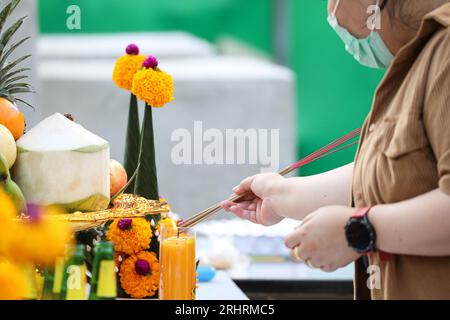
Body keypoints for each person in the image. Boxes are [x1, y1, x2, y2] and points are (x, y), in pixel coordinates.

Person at [222, 0, 450, 300]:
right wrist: (280, 197)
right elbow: (391, 175)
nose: (331, 9)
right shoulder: (424, 53)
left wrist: (357, 231)